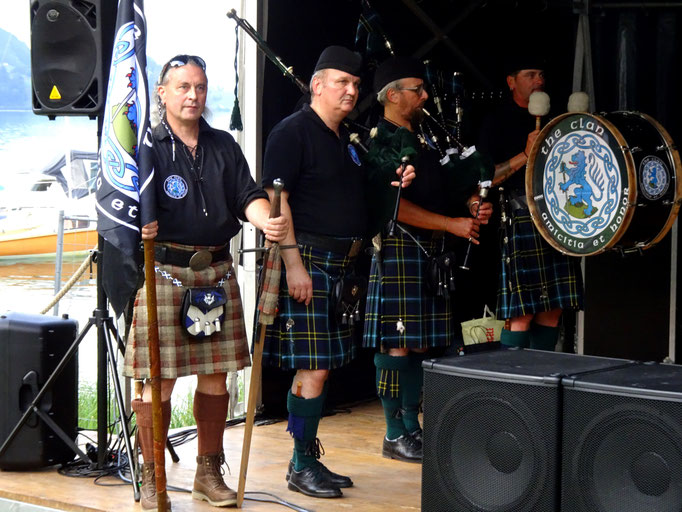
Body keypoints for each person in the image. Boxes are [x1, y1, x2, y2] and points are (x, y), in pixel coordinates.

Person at [122, 54, 288, 510]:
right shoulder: (145, 147)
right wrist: (139, 226)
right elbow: (121, 209)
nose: (193, 95)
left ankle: (208, 472)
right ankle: (153, 473)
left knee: (217, 377)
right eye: (182, 87)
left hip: (215, 273)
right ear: (162, 92)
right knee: (157, 382)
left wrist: (264, 223)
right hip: (163, 271)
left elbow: (247, 196)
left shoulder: (222, 145)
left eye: (199, 86)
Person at [260, 46, 415, 499]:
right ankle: (300, 463)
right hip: (308, 263)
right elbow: (278, 201)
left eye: (355, 84)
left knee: (322, 369)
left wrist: (396, 176)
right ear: (317, 85)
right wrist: (293, 266)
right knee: (313, 370)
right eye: (341, 82)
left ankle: (308, 460)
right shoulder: (292, 133)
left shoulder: (346, 139)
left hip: (343, 267)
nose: (351, 91)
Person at [362, 56, 493, 463]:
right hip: (399, 248)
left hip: (431, 251)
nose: (424, 96)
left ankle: (412, 426)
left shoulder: (426, 139)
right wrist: (449, 225)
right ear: (393, 95)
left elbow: (454, 186)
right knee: (396, 343)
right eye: (416, 90)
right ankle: (393, 432)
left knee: (419, 344)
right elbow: (393, 208)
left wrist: (472, 204)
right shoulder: (378, 142)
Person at [477, 56, 583, 350]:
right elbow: (484, 179)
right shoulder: (495, 121)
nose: (539, 80)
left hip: (557, 216)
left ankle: (542, 384)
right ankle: (516, 382)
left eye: (542, 74)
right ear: (511, 81)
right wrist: (526, 154)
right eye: (531, 74)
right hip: (519, 217)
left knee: (553, 308)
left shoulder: (554, 120)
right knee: (521, 312)